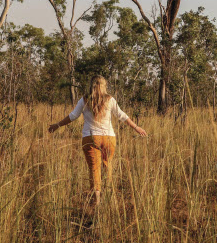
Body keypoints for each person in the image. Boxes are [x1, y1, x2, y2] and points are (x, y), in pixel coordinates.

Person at [48, 75, 147, 204]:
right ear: (104, 85)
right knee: (107, 166)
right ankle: (109, 198)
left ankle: (98, 201)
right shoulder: (110, 100)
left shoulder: (84, 100)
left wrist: (57, 125)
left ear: (91, 85)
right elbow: (121, 115)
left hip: (90, 137)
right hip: (109, 138)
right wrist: (136, 127)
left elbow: (73, 116)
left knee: (95, 169)